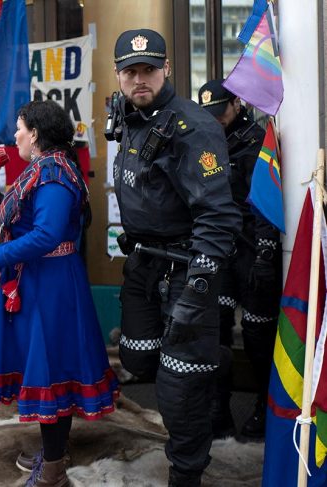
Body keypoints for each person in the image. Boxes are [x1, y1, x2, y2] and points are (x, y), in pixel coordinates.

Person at [111, 30, 241, 486]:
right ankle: (216, 360)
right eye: (131, 71)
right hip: (144, 265)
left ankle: (186, 475)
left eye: (148, 69)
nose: (139, 78)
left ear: (167, 69)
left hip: (186, 268)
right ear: (119, 75)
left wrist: (199, 288)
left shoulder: (194, 127)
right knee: (139, 360)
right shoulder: (130, 114)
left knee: (179, 389)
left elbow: (219, 218)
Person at [0, 101, 118, 486]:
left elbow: (47, 234)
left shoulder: (52, 172)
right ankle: (54, 450)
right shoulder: (47, 168)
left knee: (50, 368)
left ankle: (53, 466)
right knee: (50, 366)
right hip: (43, 280)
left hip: (49, 285)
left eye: (19, 128)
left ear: (36, 133)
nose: (15, 135)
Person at [198, 79, 281, 439]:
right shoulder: (206, 141)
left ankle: (266, 407)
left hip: (253, 249)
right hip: (220, 250)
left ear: (236, 104)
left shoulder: (257, 141)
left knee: (257, 335)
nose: (215, 120)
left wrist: (265, 252)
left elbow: (266, 201)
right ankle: (219, 409)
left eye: (220, 112)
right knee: (215, 329)